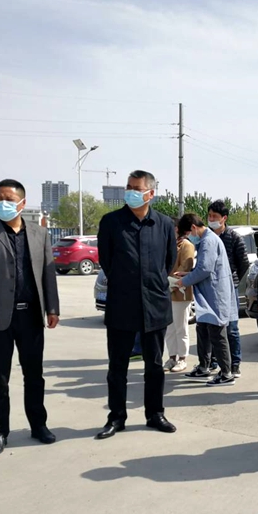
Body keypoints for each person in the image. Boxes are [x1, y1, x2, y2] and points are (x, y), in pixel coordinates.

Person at [0, 179, 61, 456]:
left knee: (35, 375)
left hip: (31, 316)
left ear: (22, 203)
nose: (2, 203)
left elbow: (48, 274)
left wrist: (52, 308)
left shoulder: (39, 233)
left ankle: (38, 425)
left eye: (8, 198)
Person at [95, 170, 178, 440]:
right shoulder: (111, 222)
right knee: (117, 366)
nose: (130, 192)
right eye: (128, 187)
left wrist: (152, 283)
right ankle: (116, 417)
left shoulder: (164, 224)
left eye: (136, 188)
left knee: (154, 365)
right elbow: (106, 261)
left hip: (154, 304)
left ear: (150, 193)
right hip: (122, 304)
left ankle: (155, 414)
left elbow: (169, 261)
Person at [176, 213, 239, 387]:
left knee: (217, 333)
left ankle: (226, 373)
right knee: (203, 329)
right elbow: (203, 268)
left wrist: (183, 281)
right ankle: (204, 366)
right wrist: (188, 274)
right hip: (207, 295)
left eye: (187, 234)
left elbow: (204, 269)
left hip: (214, 295)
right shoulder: (205, 240)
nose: (189, 238)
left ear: (193, 228)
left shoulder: (208, 241)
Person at [207, 200, 250, 378]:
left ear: (224, 218)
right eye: (209, 216)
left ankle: (235, 364)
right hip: (210, 287)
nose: (211, 219)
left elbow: (244, 263)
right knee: (213, 327)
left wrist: (232, 280)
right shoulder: (206, 236)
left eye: (215, 216)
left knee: (231, 327)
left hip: (229, 287)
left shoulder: (234, 237)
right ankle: (214, 362)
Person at [165, 219, 195, 373]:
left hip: (180, 291)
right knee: (169, 328)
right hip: (167, 291)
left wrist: (171, 282)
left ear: (176, 228)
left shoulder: (186, 245)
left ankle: (182, 359)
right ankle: (172, 357)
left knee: (181, 328)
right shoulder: (168, 244)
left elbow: (186, 267)